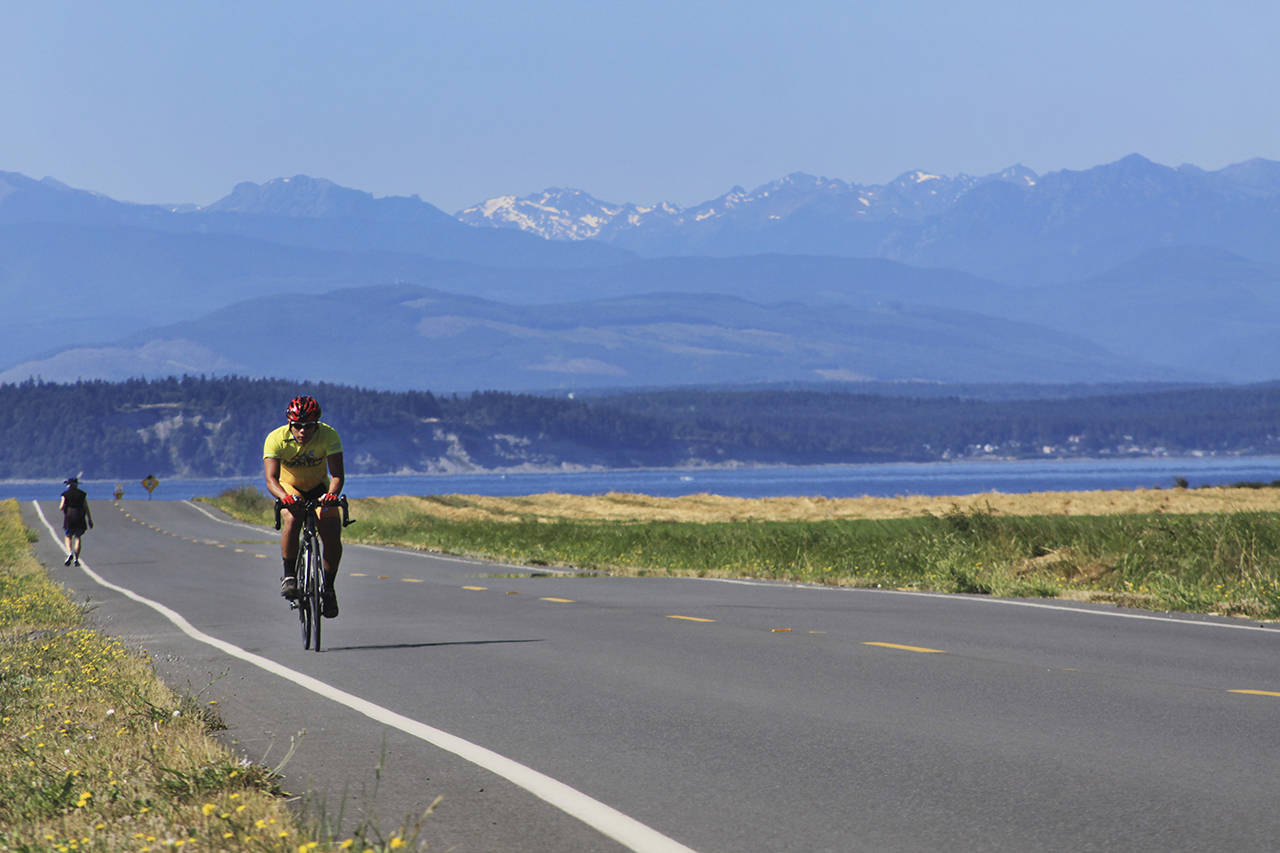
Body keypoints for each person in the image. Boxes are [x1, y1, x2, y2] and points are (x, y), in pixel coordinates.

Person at [262, 395, 345, 618]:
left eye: (308, 427)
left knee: (331, 529)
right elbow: (271, 479)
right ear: (290, 423)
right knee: (292, 516)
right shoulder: (275, 439)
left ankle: (328, 587)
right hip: (289, 487)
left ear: (316, 424)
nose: (302, 432)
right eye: (297, 426)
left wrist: (331, 495)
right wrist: (283, 497)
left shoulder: (329, 435)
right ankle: (289, 575)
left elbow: (337, 475)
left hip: (319, 487)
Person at [59, 477, 92, 566]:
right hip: (80, 516)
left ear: (69, 485)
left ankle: (70, 553)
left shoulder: (65, 494)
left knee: (68, 536)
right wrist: (89, 519)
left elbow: (61, 507)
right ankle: (76, 559)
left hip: (69, 517)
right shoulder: (82, 494)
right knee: (78, 538)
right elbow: (86, 507)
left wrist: (65, 506)